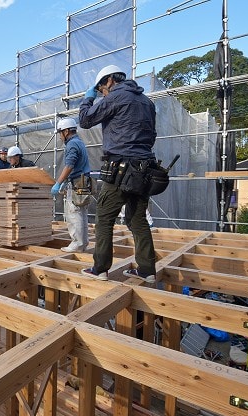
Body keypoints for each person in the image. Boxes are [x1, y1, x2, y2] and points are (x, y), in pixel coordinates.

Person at [78, 64, 157, 283]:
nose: (102, 93)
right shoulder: (147, 102)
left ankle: (100, 268)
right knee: (137, 218)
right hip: (144, 168)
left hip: (121, 167)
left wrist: (88, 99)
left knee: (104, 216)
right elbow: (152, 135)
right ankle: (147, 271)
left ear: (110, 80)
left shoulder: (115, 98)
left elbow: (85, 120)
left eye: (101, 89)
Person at [50, 118, 91, 253]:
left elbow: (69, 166)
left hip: (77, 182)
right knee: (82, 213)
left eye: (61, 133)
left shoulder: (72, 144)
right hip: (84, 181)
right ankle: (83, 243)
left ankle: (77, 244)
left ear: (66, 131)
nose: (60, 136)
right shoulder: (79, 142)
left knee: (74, 214)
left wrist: (58, 183)